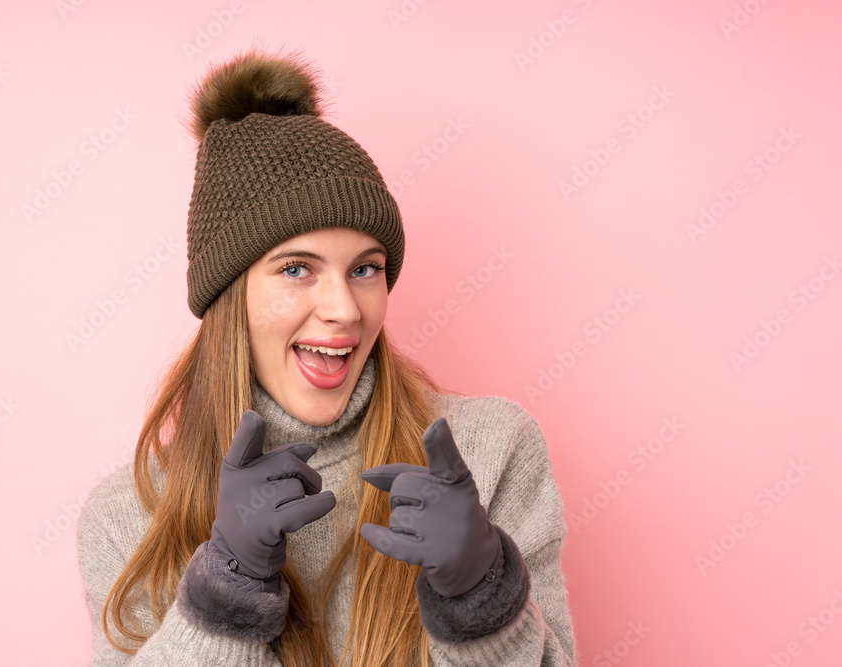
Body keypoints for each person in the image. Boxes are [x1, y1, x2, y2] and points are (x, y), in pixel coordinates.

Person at [76, 45, 577, 667]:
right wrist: (222, 602)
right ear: (229, 295)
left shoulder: (493, 451)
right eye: (296, 269)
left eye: (365, 269)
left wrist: (482, 602)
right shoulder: (127, 516)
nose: (345, 308)